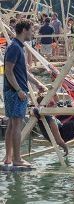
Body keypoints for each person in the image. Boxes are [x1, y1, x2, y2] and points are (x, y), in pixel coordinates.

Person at [3, 19, 46, 167]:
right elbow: (8, 71)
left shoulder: (17, 46)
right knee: (16, 125)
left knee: (11, 124)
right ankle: (17, 159)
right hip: (16, 92)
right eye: (31, 30)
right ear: (24, 30)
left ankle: (8, 157)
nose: (33, 33)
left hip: (12, 91)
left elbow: (22, 72)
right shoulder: (15, 47)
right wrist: (19, 90)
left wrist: (37, 84)